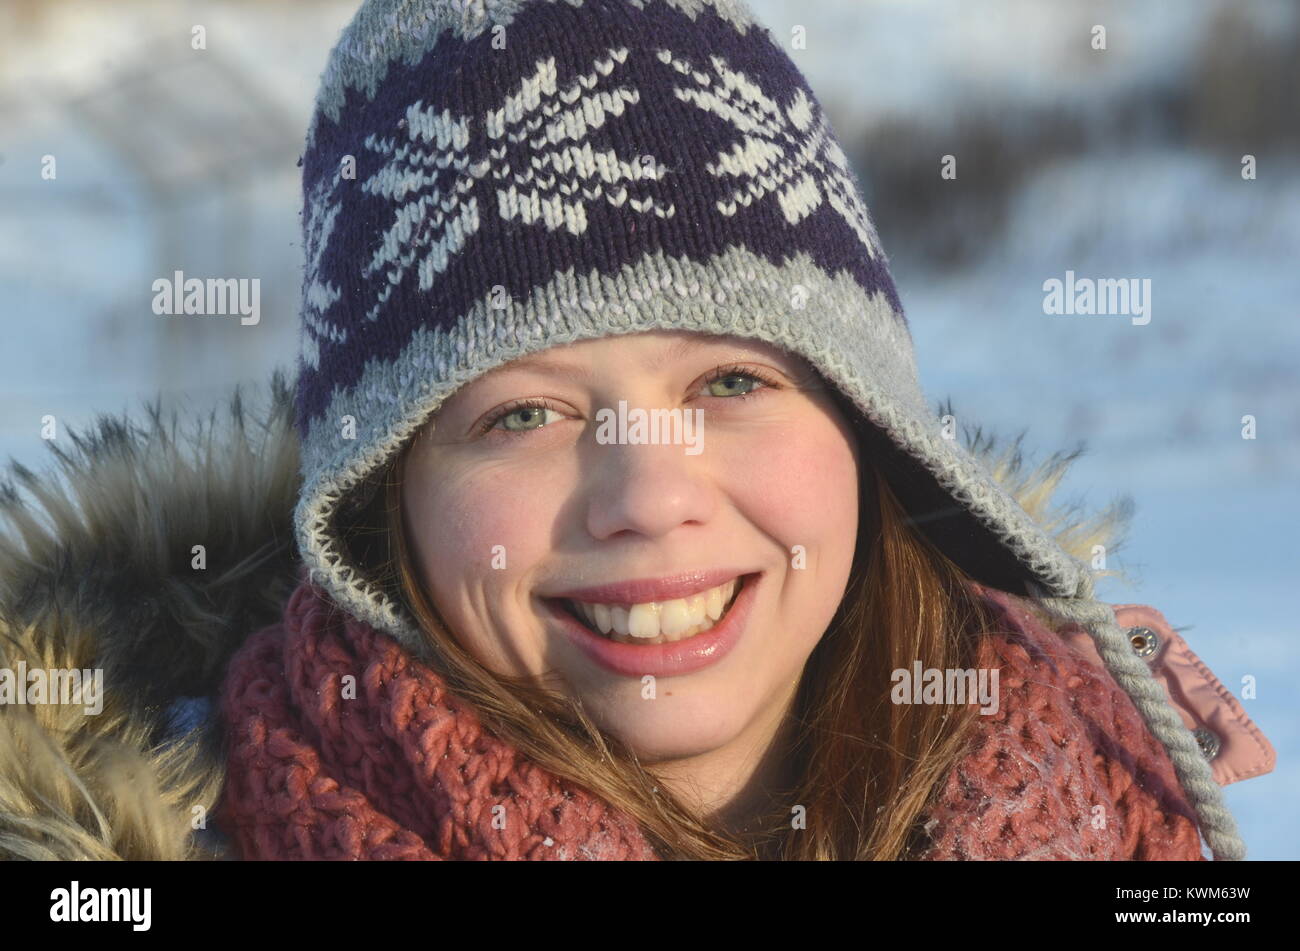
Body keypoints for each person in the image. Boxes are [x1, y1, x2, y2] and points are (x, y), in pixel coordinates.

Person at [0, 0, 1273, 861]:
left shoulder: (1124, 806)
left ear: (869, 433)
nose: (648, 499)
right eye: (525, 413)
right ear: (379, 509)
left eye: (730, 383)